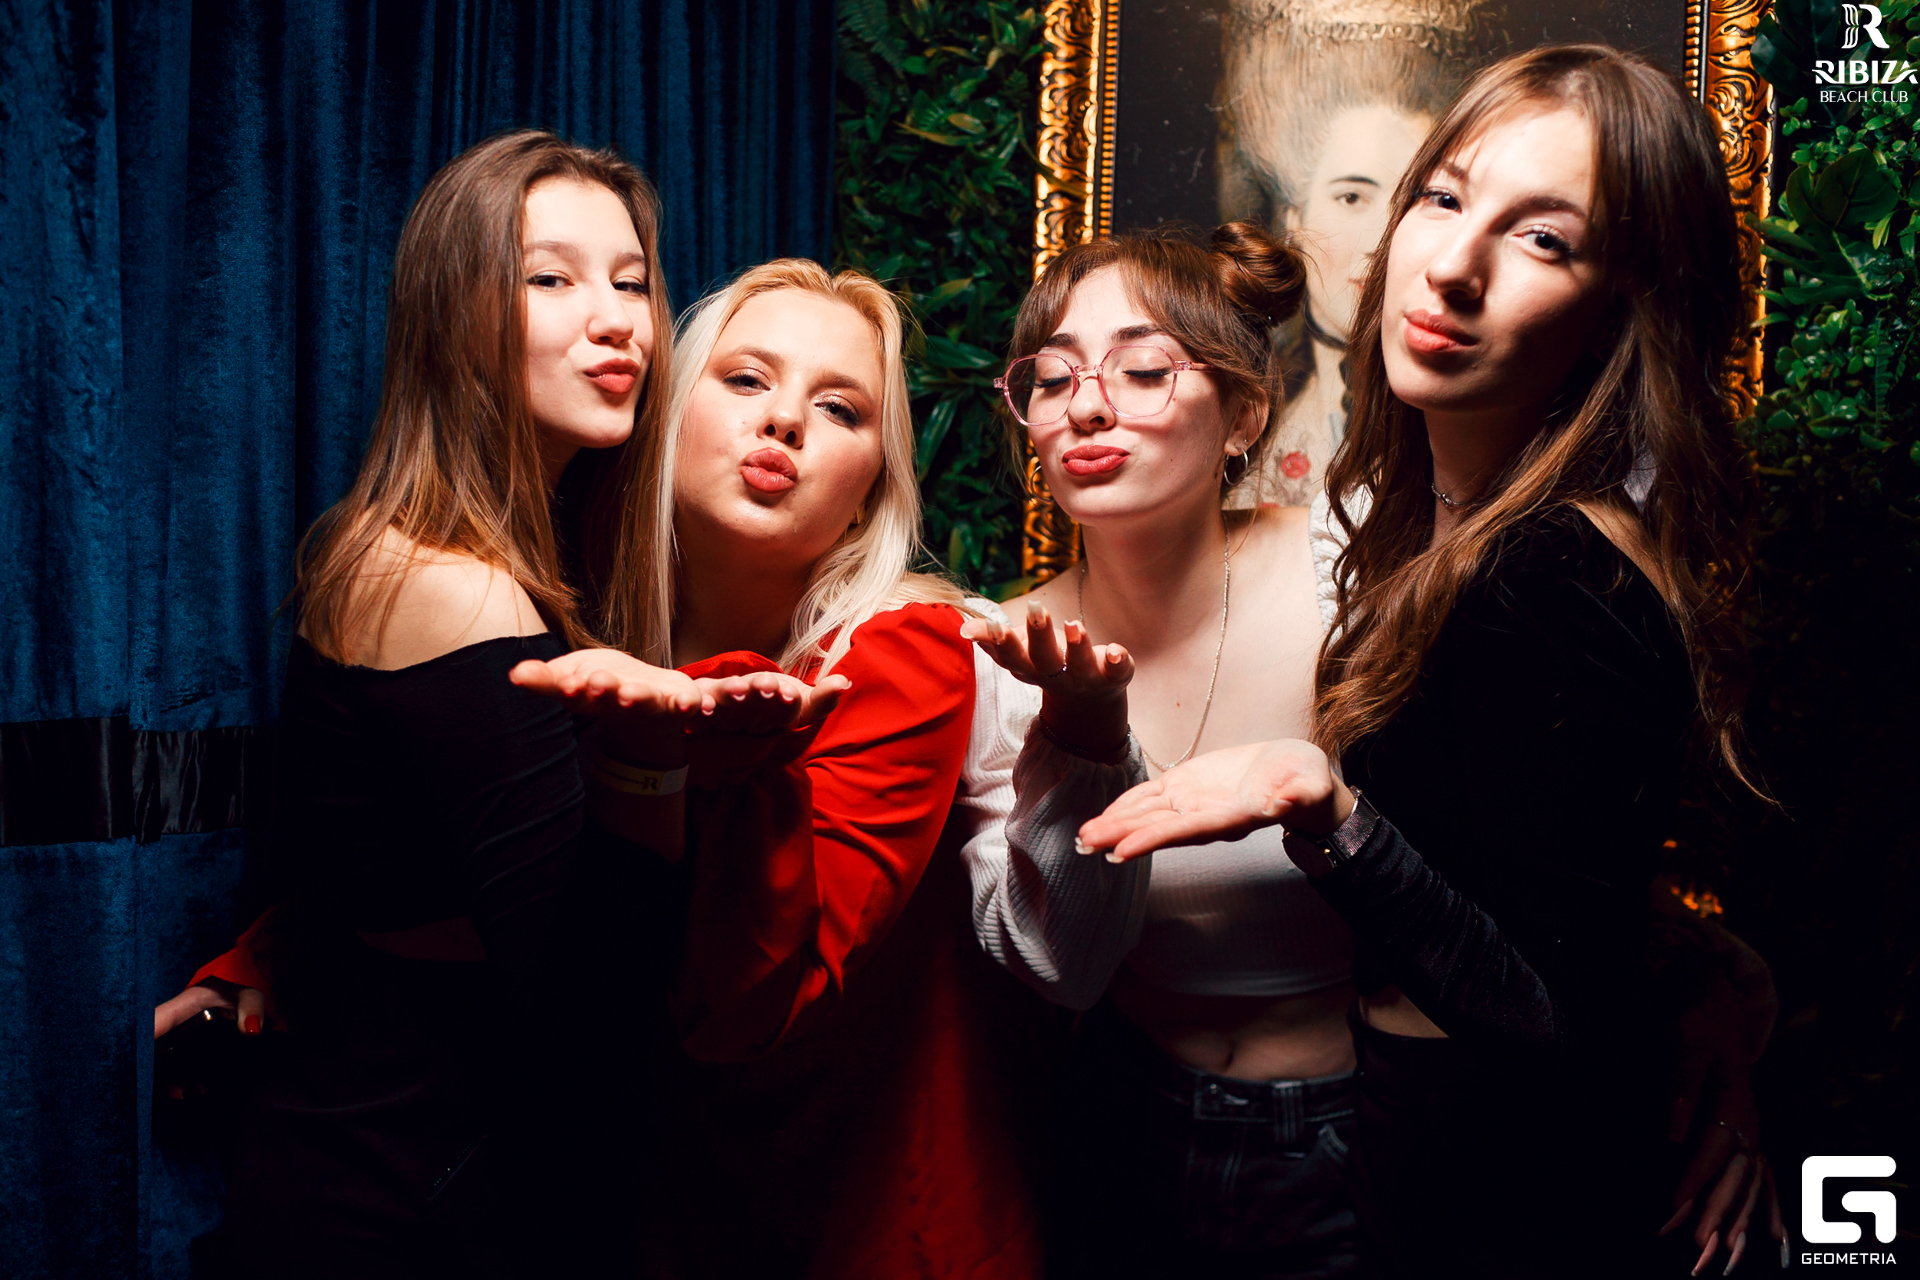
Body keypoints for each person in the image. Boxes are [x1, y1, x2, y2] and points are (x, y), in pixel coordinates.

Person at [1080, 45, 1782, 1277]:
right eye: (1445, 197)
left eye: (1545, 239)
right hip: (1415, 1165)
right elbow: (1559, 885)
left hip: (1505, 1208)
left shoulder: (1556, 573)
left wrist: (1328, 808)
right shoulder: (1453, 530)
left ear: (1625, 306)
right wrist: (1715, 982)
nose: (1454, 264)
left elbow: (1549, 1018)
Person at [149, 129, 671, 1276]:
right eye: (551, 279)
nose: (619, 320)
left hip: (384, 1165)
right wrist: (670, 764)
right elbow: (583, 1000)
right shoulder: (452, 588)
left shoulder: (412, 551)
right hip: (399, 1199)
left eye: (633, 282)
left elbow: (370, 870)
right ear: (453, 316)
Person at [511, 260, 1052, 1279]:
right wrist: (288, 952)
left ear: (867, 492)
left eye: (840, 408)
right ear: (668, 414)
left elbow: (750, 1008)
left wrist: (713, 746)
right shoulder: (568, 611)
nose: (785, 420)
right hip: (644, 1210)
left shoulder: (903, 654)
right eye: (747, 379)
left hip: (876, 1231)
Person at [957, 221, 1364, 1278]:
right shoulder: (1001, 652)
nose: (1087, 407)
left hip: (1361, 1135)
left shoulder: (1350, 566)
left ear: (1244, 415)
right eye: (1053, 379)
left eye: (1143, 370)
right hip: (1118, 1127)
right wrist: (1080, 737)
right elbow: (1058, 970)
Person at [1216, 0, 1487, 506]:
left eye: (1416, 200)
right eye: (1351, 198)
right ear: (1295, 220)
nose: (1381, 240)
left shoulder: (1480, 439)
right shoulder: (1246, 454)